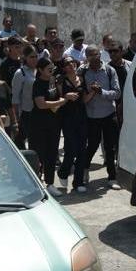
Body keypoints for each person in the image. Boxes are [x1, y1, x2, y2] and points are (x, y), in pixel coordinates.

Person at [81, 47, 122, 189]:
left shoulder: (110, 71)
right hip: (92, 116)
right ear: (86, 57)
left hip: (109, 114)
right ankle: (85, 170)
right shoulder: (83, 72)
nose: (93, 57)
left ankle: (112, 177)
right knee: (92, 145)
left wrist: (102, 92)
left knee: (110, 147)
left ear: (99, 54)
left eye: (96, 54)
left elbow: (117, 93)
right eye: (90, 55)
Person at [29, 57, 68, 197]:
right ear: (40, 70)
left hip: (54, 124)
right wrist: (60, 102)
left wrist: (60, 97)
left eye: (52, 67)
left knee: (52, 154)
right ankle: (36, 183)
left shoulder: (53, 82)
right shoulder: (37, 84)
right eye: (48, 67)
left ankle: (50, 183)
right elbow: (41, 104)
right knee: (39, 155)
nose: (51, 69)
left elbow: (57, 97)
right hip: (39, 125)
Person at [56, 57, 89, 193]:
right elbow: (57, 99)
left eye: (72, 62)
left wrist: (93, 91)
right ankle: (63, 172)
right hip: (67, 118)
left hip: (81, 117)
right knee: (71, 150)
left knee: (82, 149)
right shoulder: (60, 80)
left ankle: (78, 182)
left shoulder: (81, 78)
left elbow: (85, 99)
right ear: (64, 68)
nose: (71, 64)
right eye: (67, 63)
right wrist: (66, 96)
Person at [10, 45, 39, 150]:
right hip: (27, 113)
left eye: (36, 56)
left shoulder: (39, 71)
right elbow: (15, 98)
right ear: (25, 57)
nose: (35, 59)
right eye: (32, 57)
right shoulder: (20, 73)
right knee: (32, 142)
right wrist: (17, 119)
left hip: (41, 110)